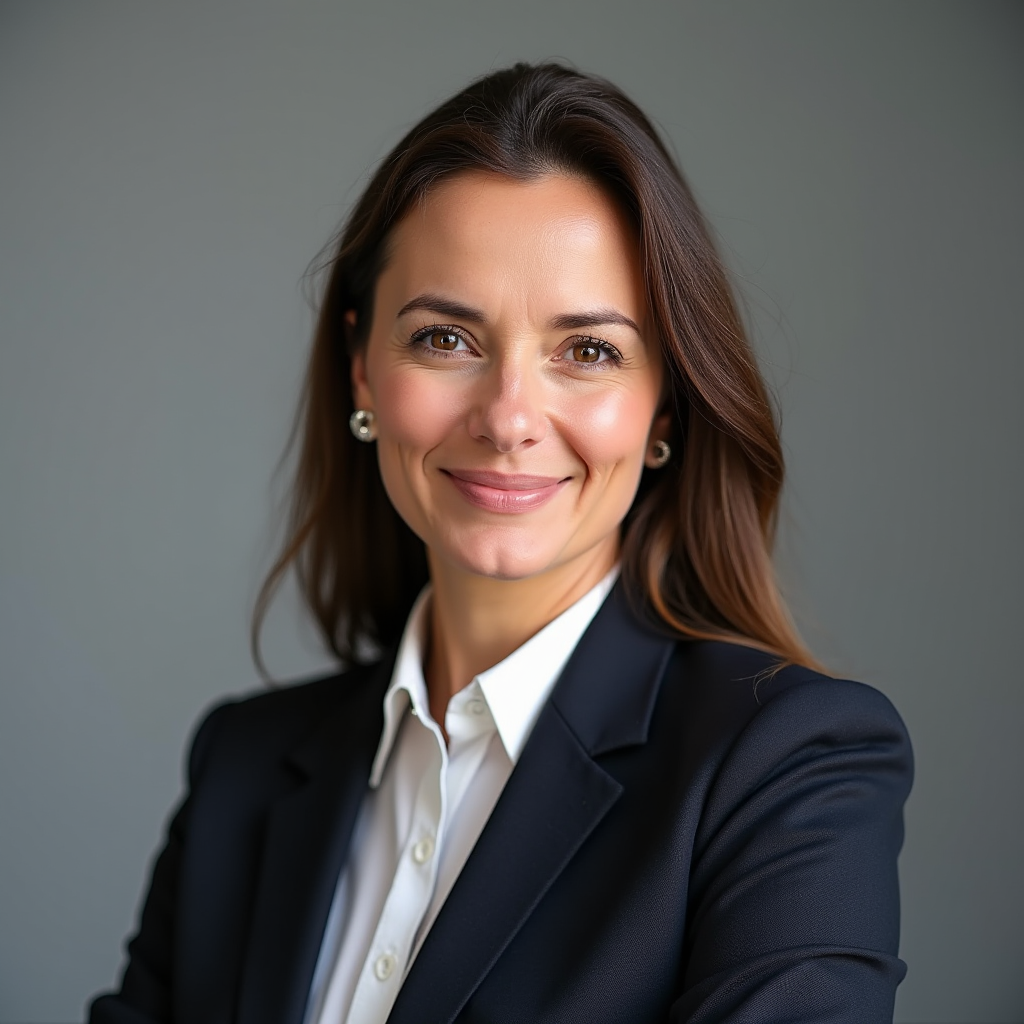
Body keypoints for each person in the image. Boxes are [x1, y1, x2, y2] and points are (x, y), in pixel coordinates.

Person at [89, 62, 912, 1024]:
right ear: (361, 369)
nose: (510, 418)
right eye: (446, 339)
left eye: (589, 350)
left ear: (666, 409)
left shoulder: (788, 768)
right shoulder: (241, 768)